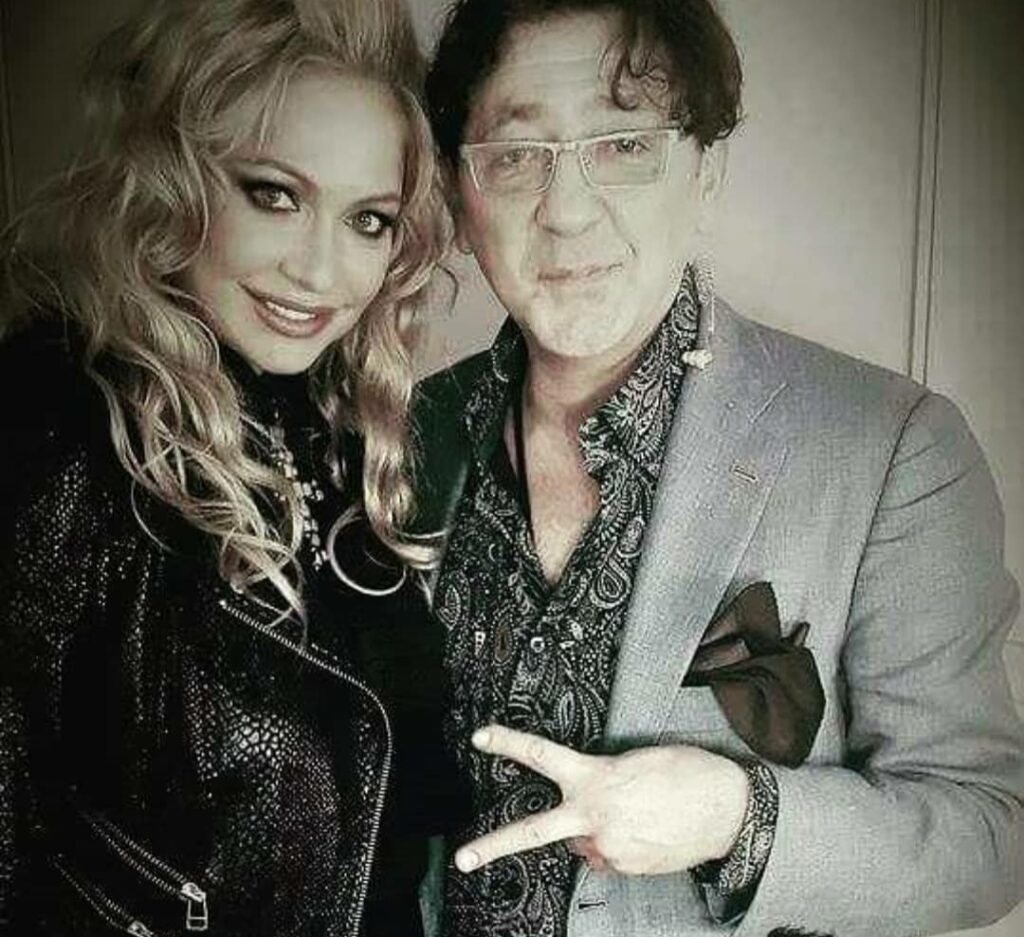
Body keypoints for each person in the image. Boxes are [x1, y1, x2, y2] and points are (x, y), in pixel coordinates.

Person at [414, 0, 1024, 935]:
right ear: (462, 198)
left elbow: (987, 834)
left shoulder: (898, 446)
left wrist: (736, 817)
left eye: (625, 144)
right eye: (517, 155)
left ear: (706, 173)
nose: (567, 212)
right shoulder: (403, 430)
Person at [0, 0, 464, 934]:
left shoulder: (333, 420)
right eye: (275, 194)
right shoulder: (58, 426)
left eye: (368, 220)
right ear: (178, 177)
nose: (319, 273)